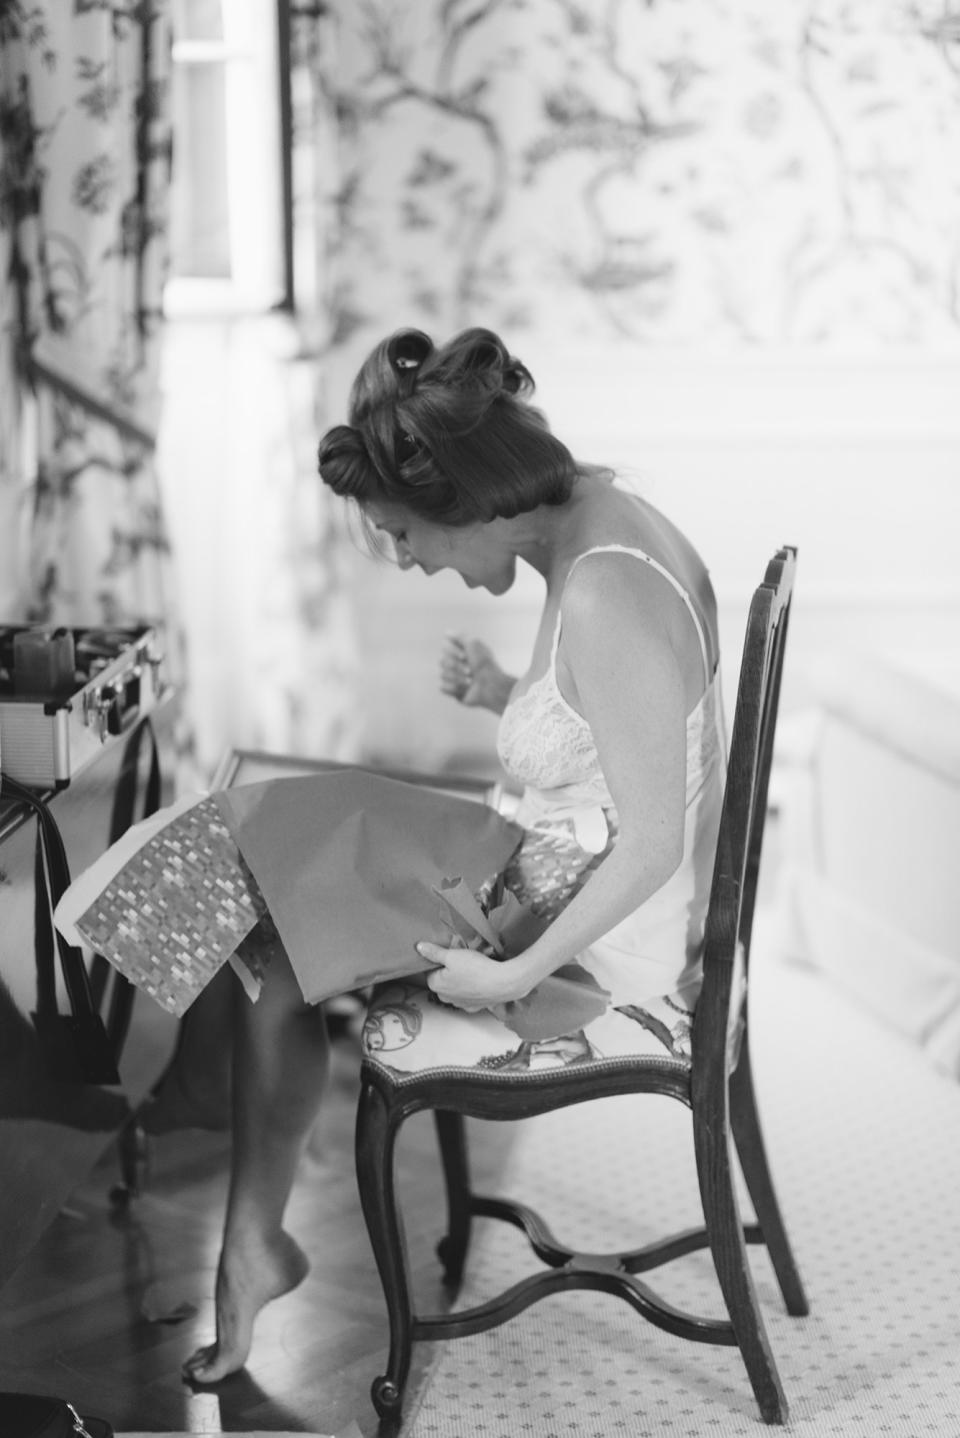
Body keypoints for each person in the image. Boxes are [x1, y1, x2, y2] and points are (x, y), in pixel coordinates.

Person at [182, 325, 725, 1384]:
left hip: (597, 948)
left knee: (272, 945)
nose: (417, 559)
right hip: (548, 873)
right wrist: (499, 699)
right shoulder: (596, 520)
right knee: (275, 870)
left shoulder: (607, 585)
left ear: (466, 499)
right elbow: (610, 738)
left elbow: (654, 841)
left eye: (405, 535)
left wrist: (513, 972)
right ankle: (253, 1244)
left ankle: (253, 1248)